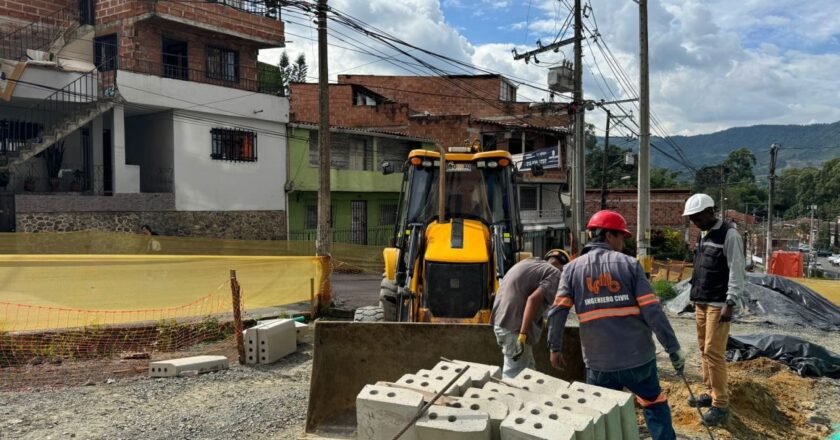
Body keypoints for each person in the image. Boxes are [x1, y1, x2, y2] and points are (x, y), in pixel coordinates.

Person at [547, 210, 684, 440]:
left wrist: (554, 347)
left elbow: (558, 311)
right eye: (621, 236)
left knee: (602, 417)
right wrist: (673, 348)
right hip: (638, 359)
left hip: (599, 363)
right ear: (608, 235)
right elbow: (653, 311)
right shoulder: (630, 265)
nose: (623, 242)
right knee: (654, 404)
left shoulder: (571, 269)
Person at [682, 193, 744, 426]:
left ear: (710, 212)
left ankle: (721, 404)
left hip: (719, 304)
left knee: (713, 351)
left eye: (697, 217)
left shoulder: (730, 234)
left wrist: (731, 302)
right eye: (692, 219)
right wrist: (693, 297)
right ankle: (710, 391)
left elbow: (737, 270)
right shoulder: (704, 235)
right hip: (701, 301)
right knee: (703, 349)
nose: (694, 222)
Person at [491, 249, 570, 378]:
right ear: (563, 267)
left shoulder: (528, 262)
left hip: (500, 322)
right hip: (515, 329)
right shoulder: (555, 273)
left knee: (528, 371)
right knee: (514, 374)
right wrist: (523, 335)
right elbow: (533, 299)